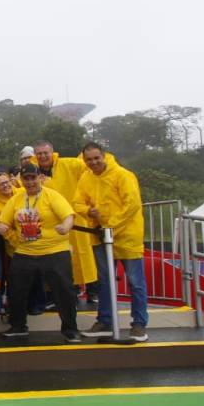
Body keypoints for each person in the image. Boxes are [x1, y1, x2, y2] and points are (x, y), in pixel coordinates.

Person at [0, 164, 81, 342]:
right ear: (21, 179)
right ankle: (18, 325)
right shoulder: (16, 199)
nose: (29, 182)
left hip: (55, 250)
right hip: (25, 250)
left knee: (63, 290)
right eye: (26, 178)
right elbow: (2, 221)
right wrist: (3, 227)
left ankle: (70, 329)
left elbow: (68, 216)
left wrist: (65, 227)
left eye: (32, 178)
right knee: (16, 289)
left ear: (39, 178)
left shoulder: (52, 195)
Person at [75, 142, 148, 342]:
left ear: (104, 156)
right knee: (104, 281)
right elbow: (77, 202)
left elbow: (131, 205)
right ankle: (105, 321)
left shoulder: (123, 175)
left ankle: (139, 324)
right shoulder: (86, 177)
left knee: (135, 282)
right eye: (89, 159)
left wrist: (111, 226)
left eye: (96, 158)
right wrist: (89, 211)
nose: (93, 162)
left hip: (127, 237)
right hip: (101, 237)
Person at [32, 140, 99, 294]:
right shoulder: (33, 171)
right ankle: (70, 292)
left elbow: (91, 168)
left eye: (45, 153)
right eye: (39, 153)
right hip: (53, 223)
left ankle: (93, 291)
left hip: (76, 219)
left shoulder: (69, 164)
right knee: (62, 260)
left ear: (52, 152)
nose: (43, 156)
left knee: (86, 255)